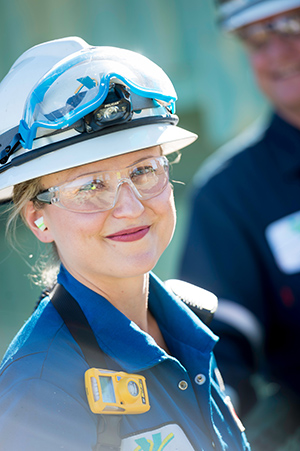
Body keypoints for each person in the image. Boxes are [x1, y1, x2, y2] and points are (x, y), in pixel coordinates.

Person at [0, 37, 250, 451]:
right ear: (38, 219)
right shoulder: (38, 392)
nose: (130, 207)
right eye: (91, 186)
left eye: (144, 170)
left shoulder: (188, 329)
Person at [179, 0, 300, 446]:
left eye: (292, 23)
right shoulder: (228, 194)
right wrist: (215, 407)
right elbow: (218, 347)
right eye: (255, 38)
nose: (279, 53)